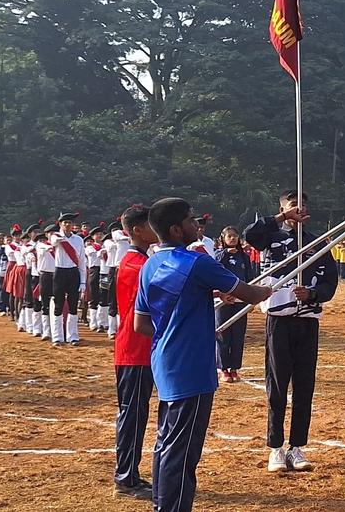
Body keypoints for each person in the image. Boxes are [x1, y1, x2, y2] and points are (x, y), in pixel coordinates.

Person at [133, 197, 271, 512]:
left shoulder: (151, 263)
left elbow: (142, 323)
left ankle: (160, 504)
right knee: (183, 452)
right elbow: (249, 293)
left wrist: (185, 318)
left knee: (166, 443)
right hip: (191, 368)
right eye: (192, 220)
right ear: (176, 229)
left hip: (164, 361)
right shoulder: (197, 261)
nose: (197, 225)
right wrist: (269, 290)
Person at [243, 190, 339, 475]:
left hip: (307, 321)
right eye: (292, 205)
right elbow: (250, 234)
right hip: (279, 320)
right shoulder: (269, 238)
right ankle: (276, 447)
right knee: (277, 385)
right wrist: (282, 219)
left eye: (303, 206)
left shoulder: (316, 243)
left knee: (304, 386)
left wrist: (311, 293)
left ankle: (297, 446)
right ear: (283, 208)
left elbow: (330, 283)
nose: (300, 209)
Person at [112, 205, 158, 500]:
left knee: (137, 413)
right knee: (132, 415)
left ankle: (130, 474)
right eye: (152, 225)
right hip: (134, 350)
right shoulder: (135, 265)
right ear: (138, 231)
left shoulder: (141, 260)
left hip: (141, 348)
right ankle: (125, 478)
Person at [214, 226, 257, 383]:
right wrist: (225, 254)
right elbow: (215, 270)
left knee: (238, 335)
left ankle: (234, 368)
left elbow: (249, 278)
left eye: (235, 236)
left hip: (240, 300)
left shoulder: (244, 257)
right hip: (223, 300)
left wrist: (250, 298)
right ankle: (223, 369)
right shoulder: (219, 255)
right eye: (229, 236)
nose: (232, 239)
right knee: (223, 334)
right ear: (223, 239)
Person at [51, 213, 87, 347]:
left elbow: (82, 261)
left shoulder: (78, 240)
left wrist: (83, 282)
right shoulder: (56, 236)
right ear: (60, 224)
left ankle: (73, 336)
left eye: (69, 223)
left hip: (73, 273)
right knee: (58, 305)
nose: (67, 225)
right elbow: (53, 242)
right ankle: (57, 337)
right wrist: (62, 237)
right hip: (59, 272)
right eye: (64, 222)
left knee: (73, 305)